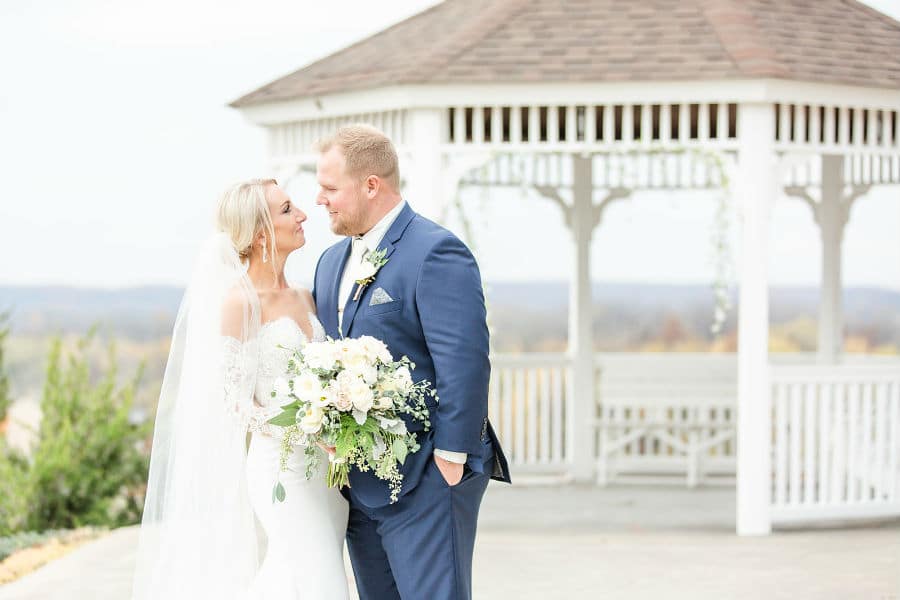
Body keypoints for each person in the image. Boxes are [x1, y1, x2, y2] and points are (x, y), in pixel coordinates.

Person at [313, 124, 511, 600]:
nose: (320, 200)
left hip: (427, 477)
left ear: (371, 185)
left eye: (329, 188)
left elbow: (464, 360)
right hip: (357, 485)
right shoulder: (327, 262)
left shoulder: (435, 251)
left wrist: (451, 457)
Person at [131, 179, 350, 599]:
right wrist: (304, 430)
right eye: (288, 209)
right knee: (316, 575)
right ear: (262, 231)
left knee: (300, 576)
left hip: (327, 471)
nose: (303, 214)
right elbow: (234, 403)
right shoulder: (240, 303)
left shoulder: (306, 296)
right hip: (281, 470)